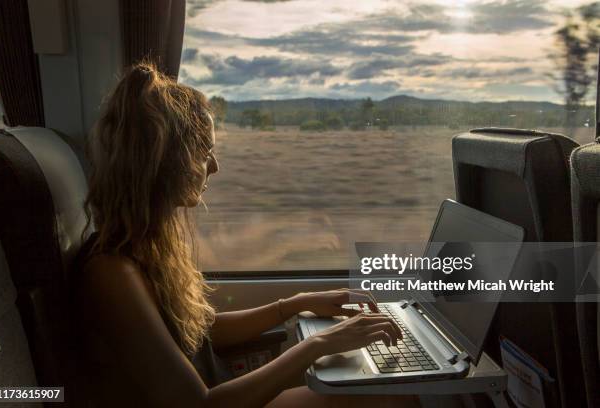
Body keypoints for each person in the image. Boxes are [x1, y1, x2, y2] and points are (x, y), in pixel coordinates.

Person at [72, 62, 420, 408]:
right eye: (204, 152)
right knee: (383, 395)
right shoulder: (113, 273)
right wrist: (317, 344)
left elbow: (199, 336)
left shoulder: (147, 247)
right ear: (166, 161)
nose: (215, 166)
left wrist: (295, 304)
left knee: (376, 385)